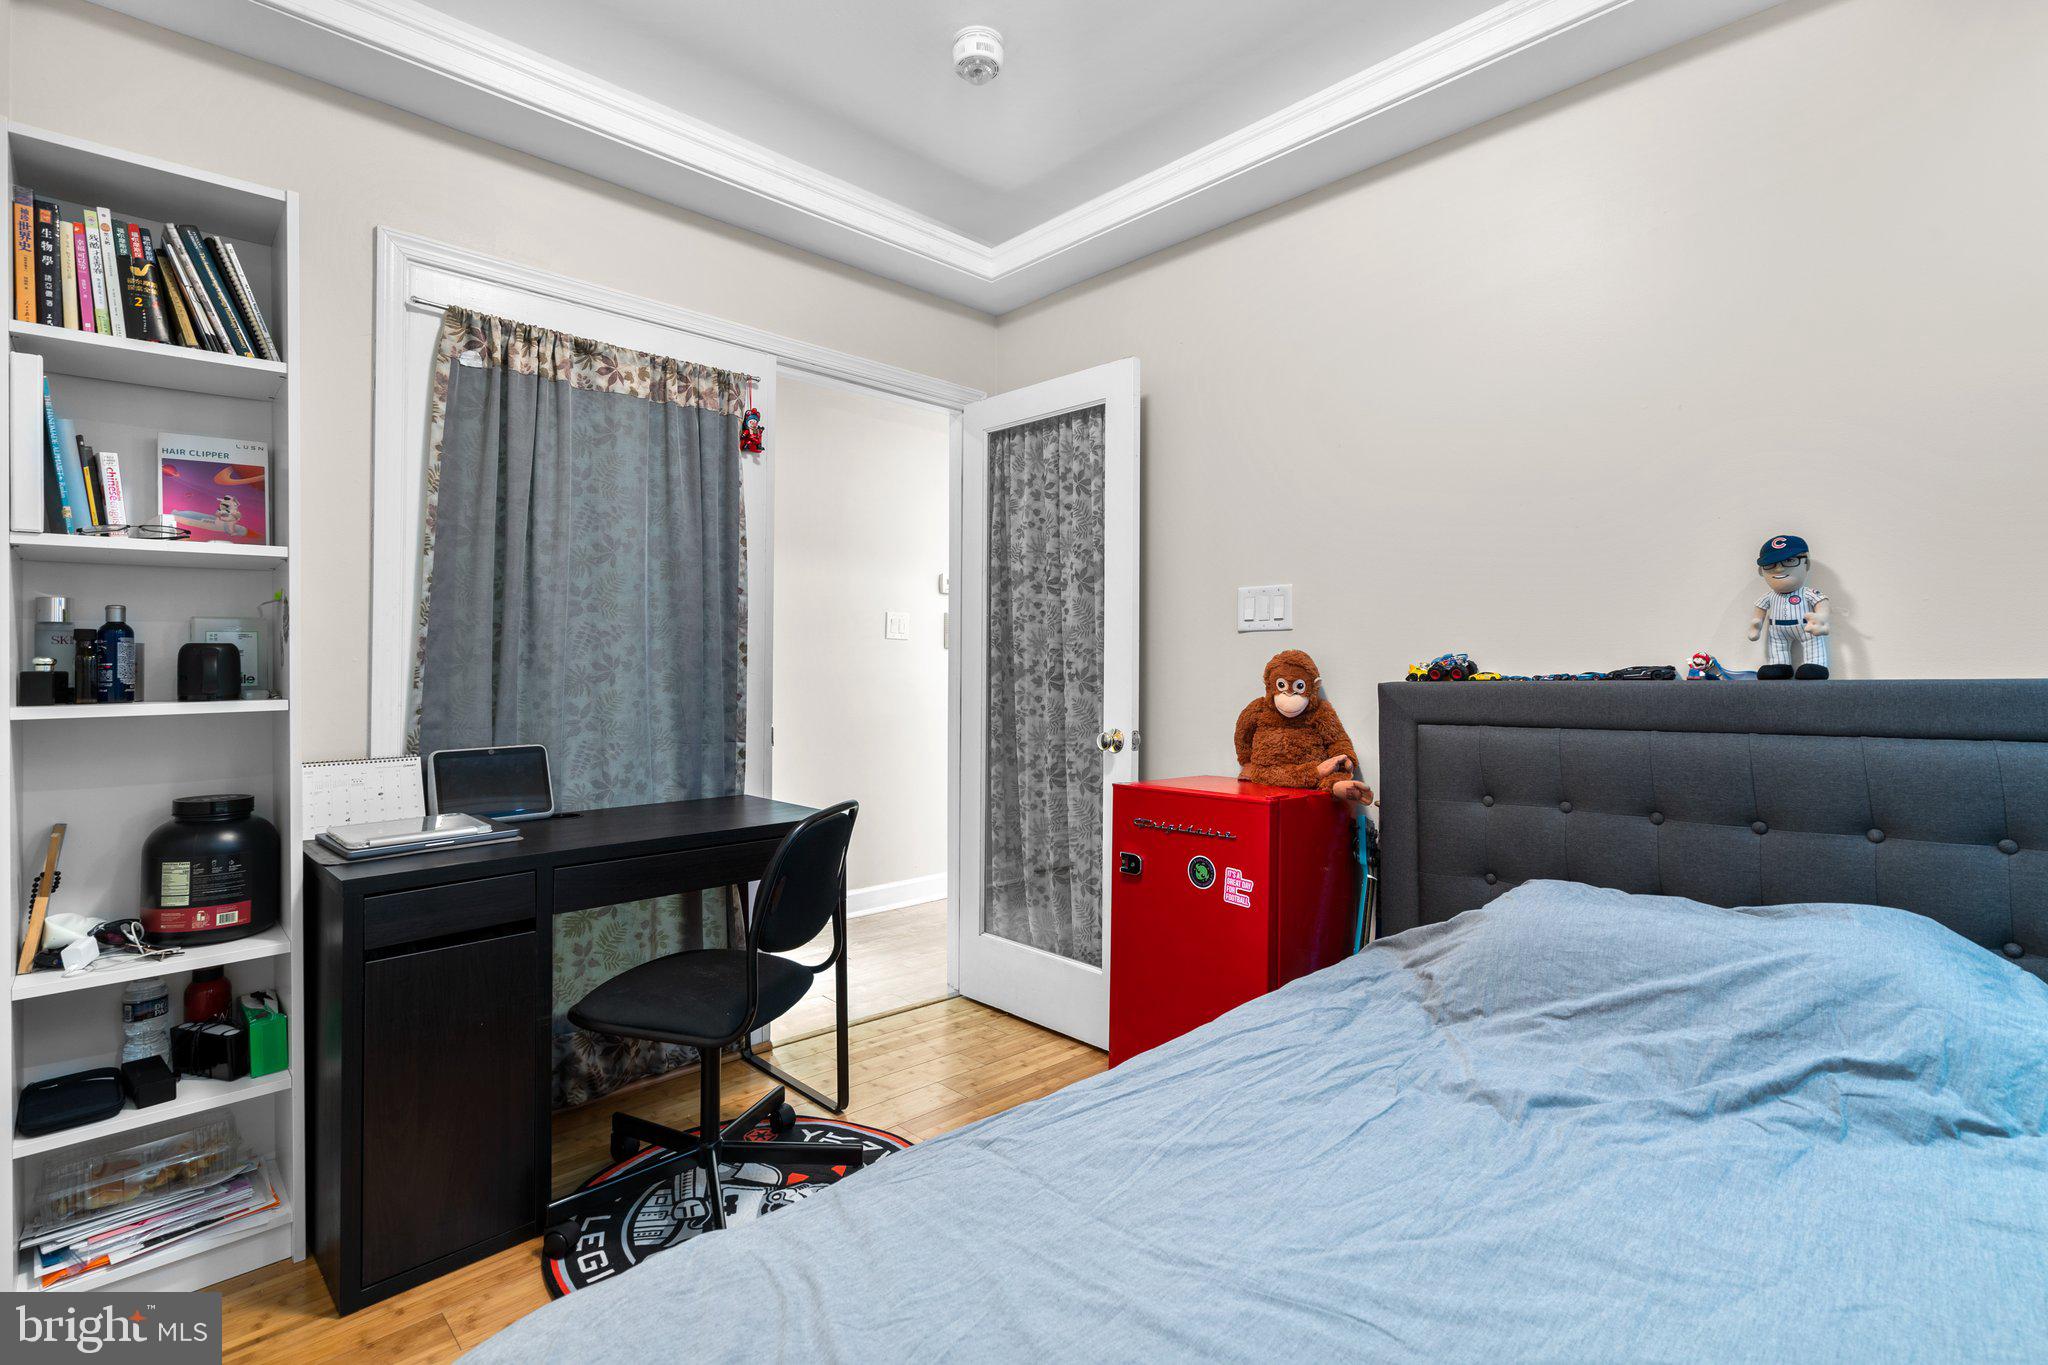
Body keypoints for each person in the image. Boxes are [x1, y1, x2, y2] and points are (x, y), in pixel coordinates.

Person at [1747, 534, 1830, 679]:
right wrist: (1756, 624)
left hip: (1806, 627)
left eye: (1790, 560)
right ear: (1761, 571)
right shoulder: (1769, 597)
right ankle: (1780, 665)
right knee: (1777, 648)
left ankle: (1816, 664)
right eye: (1770, 564)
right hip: (1777, 630)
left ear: (1807, 564)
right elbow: (1759, 610)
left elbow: (1821, 601)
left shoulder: (1807, 593)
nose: (1779, 569)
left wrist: (1821, 618)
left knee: (1814, 645)